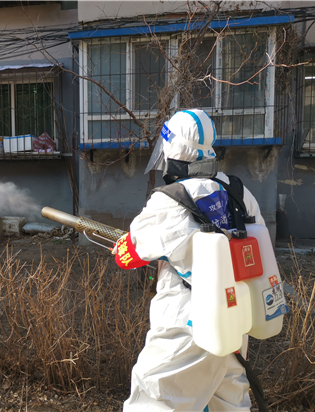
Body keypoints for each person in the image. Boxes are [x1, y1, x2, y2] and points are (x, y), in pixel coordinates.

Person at [114, 109, 265, 411]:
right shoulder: (238, 192)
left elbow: (127, 255)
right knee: (228, 404)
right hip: (234, 321)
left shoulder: (170, 200)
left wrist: (124, 246)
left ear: (172, 151)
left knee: (154, 400)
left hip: (187, 327)